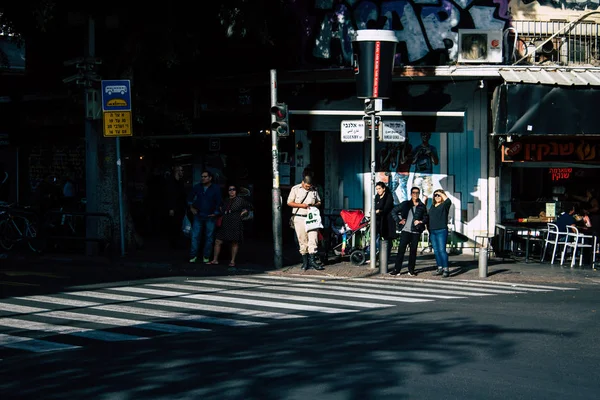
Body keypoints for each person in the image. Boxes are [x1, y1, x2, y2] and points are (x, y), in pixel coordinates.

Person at [207, 184, 252, 267]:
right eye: (230, 189)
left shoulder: (240, 200)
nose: (231, 191)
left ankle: (232, 261)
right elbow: (221, 209)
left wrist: (244, 212)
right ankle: (215, 260)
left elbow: (249, 207)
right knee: (218, 240)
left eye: (233, 189)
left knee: (234, 242)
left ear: (236, 191)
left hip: (235, 221)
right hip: (225, 221)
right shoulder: (226, 200)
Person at [388, 186, 428, 276]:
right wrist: (399, 220)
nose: (416, 194)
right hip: (405, 231)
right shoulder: (405, 204)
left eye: (417, 192)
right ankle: (397, 270)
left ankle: (411, 270)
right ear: (411, 194)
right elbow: (393, 211)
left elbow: (426, 217)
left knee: (413, 252)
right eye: (414, 192)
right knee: (401, 251)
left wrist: (420, 221)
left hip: (415, 232)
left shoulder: (422, 206)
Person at [287, 174, 324, 271]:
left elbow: (319, 202)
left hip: (311, 218)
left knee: (313, 239)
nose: (308, 188)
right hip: (299, 218)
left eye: (310, 186)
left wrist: (314, 204)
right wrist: (301, 205)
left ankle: (313, 261)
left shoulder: (314, 190)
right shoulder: (295, 189)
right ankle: (305, 262)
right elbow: (289, 202)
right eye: (307, 186)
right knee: (302, 240)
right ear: (303, 182)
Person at [188, 170, 222, 263]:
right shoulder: (197, 187)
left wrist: (215, 213)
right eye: (202, 176)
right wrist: (191, 208)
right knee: (195, 236)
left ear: (210, 178)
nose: (203, 178)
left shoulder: (215, 188)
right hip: (198, 215)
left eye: (205, 176)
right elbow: (190, 198)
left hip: (210, 216)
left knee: (209, 237)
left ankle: (206, 256)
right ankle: (193, 256)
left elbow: (219, 201)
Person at [429, 189, 452, 278]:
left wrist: (441, 193)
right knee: (436, 251)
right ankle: (440, 268)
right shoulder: (432, 206)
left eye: (439, 195)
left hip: (441, 230)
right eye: (435, 195)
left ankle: (446, 269)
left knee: (442, 250)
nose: (437, 197)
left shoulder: (444, 205)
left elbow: (448, 201)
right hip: (432, 231)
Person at [411, 132, 439, 207]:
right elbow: (412, 162)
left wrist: (431, 153)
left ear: (429, 137)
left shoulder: (432, 148)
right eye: (423, 135)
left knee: (426, 195)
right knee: (415, 193)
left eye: (426, 135)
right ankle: (416, 211)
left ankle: (423, 211)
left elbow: (436, 162)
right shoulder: (417, 148)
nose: (425, 137)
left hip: (428, 174)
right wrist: (418, 153)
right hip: (418, 174)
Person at [165, 164, 187, 249]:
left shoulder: (180, 181)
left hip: (180, 207)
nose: (182, 172)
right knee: (173, 225)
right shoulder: (170, 181)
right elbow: (169, 195)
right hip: (174, 207)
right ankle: (173, 243)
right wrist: (171, 208)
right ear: (177, 171)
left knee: (178, 225)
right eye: (181, 170)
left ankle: (176, 242)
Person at [374, 181, 396, 263]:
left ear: (384, 188)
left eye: (379, 189)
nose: (378, 191)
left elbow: (387, 207)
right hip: (379, 220)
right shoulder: (377, 197)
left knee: (388, 238)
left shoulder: (389, 196)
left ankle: (386, 256)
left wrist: (380, 211)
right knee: (377, 237)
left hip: (388, 221)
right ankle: (376, 255)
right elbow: (375, 206)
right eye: (377, 189)